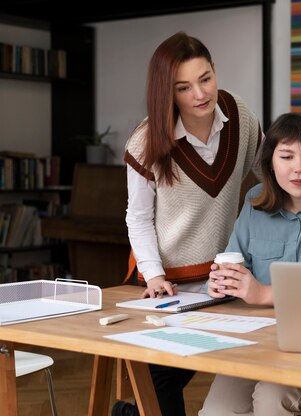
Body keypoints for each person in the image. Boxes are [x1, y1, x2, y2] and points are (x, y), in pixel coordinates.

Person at [112, 31, 262, 416]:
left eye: (206, 78)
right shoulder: (146, 141)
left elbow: (267, 174)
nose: (200, 94)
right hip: (166, 281)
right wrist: (155, 275)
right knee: (163, 376)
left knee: (209, 361)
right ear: (167, 92)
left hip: (220, 277)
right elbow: (138, 218)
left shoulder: (240, 116)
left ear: (215, 72)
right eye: (184, 87)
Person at [198, 112, 301, 416]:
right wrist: (221, 285)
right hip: (257, 339)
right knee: (217, 411)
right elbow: (234, 262)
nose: (298, 168)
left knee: (270, 398)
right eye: (286, 156)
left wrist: (263, 293)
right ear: (270, 163)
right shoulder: (255, 200)